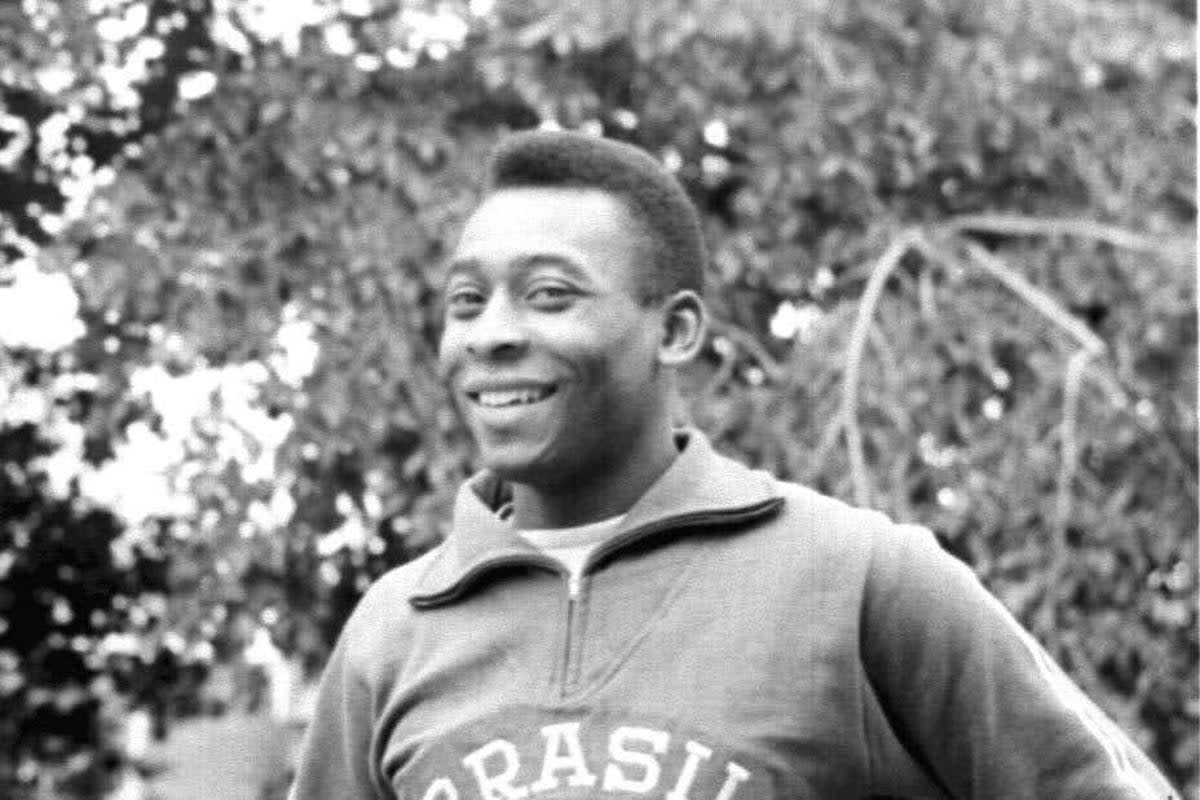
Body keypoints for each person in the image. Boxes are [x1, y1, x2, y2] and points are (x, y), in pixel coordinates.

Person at [288, 131, 1176, 799]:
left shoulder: (857, 578)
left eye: (550, 295)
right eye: (466, 302)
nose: (492, 335)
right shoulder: (393, 631)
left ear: (674, 331)